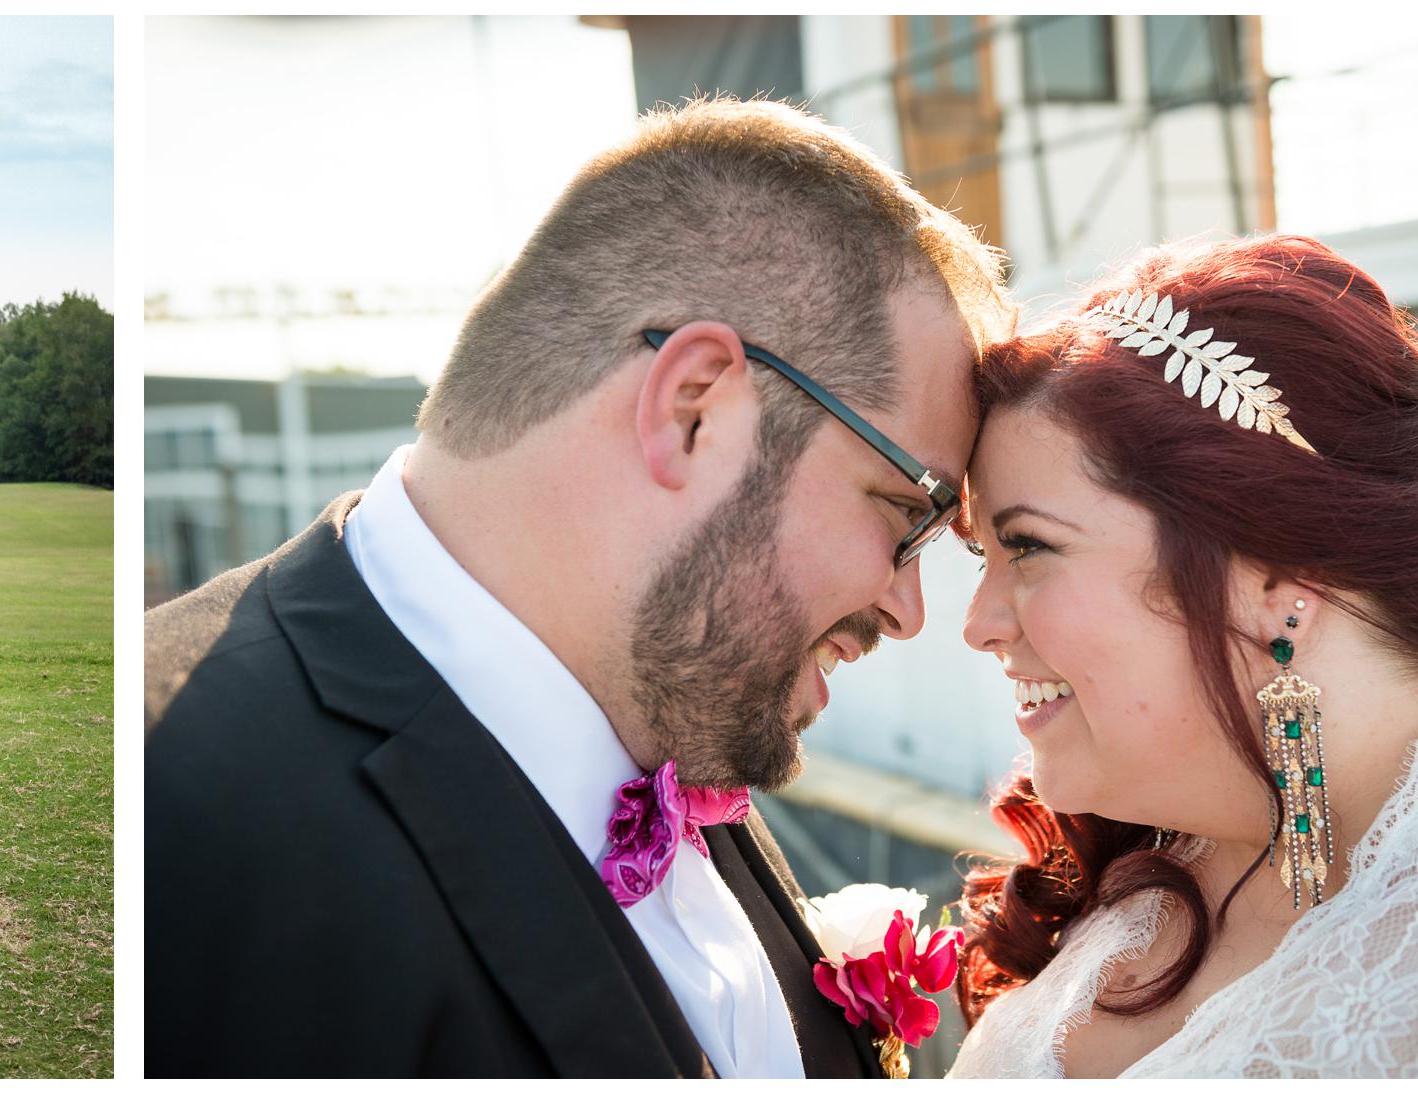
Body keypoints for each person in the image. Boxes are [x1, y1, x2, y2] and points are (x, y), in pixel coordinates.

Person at [146, 97, 1013, 1077]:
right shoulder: (160, 828)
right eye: (907, 514)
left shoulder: (676, 696)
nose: (910, 608)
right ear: (695, 411)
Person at [947, 234, 1418, 1078]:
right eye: (983, 562)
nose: (979, 622)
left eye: (1028, 547)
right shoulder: (1163, 861)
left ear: (1278, 581)